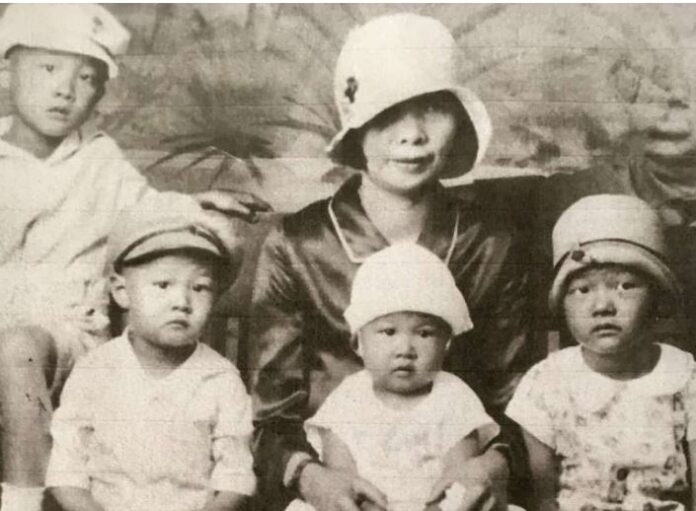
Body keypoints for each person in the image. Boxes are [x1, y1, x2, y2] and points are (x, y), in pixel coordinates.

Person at [248, 13, 535, 511]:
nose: (413, 135)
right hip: (340, 490)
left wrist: (492, 466)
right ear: (356, 130)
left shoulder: (491, 243)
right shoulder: (298, 244)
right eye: (387, 113)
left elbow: (522, 404)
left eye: (432, 109)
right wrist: (315, 479)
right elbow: (270, 419)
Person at [0, 5, 268, 511]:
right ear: (7, 70)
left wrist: (199, 204)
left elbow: (148, 211)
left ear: (99, 94)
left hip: (68, 333)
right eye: (48, 69)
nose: (65, 89)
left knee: (16, 350)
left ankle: (22, 499)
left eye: (86, 78)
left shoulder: (99, 159)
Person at [45, 193, 256, 511]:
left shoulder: (221, 379)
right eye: (162, 285)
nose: (182, 302)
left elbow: (234, 477)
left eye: (199, 287)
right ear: (120, 291)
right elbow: (65, 470)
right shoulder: (95, 371)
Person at [507, 194, 696, 511]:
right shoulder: (547, 382)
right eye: (582, 290)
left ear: (657, 299)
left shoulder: (685, 377)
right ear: (562, 304)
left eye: (625, 286)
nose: (603, 306)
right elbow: (544, 497)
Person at [286, 243, 501, 511]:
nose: (405, 349)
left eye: (424, 334)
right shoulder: (349, 396)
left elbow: (459, 476)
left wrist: (443, 504)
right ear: (358, 344)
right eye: (388, 332)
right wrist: (358, 502)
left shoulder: (453, 396)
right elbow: (340, 471)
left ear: (446, 343)